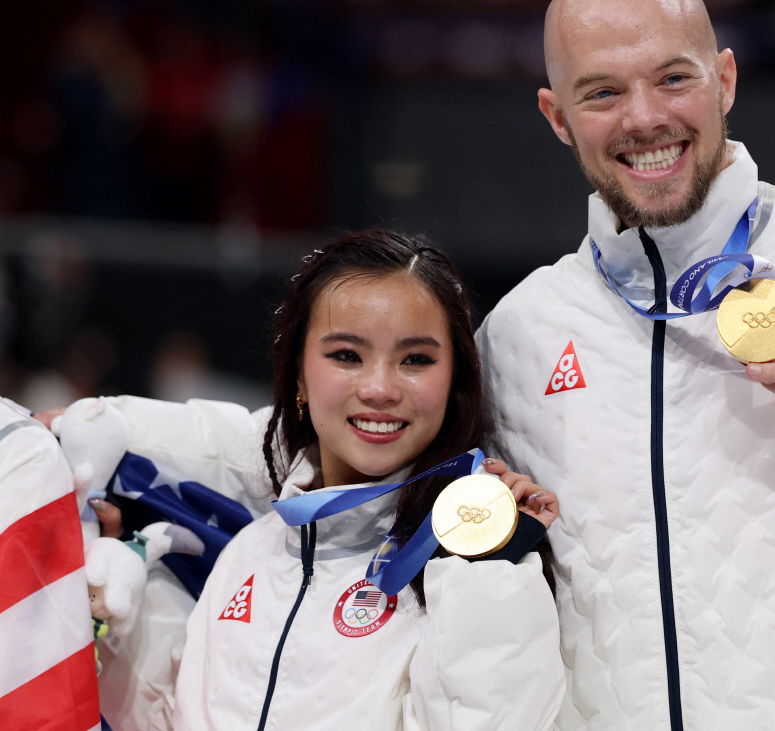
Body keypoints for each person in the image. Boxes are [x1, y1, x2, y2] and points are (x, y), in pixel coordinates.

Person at [43, 0, 775, 730]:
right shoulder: (523, 333)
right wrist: (82, 457)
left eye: (673, 77)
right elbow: (338, 449)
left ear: (722, 77)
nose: (646, 118)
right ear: (554, 115)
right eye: (602, 91)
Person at [63, 230, 566, 730]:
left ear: (454, 379)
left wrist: (486, 570)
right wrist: (120, 626)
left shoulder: (471, 568)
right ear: (299, 374)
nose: (379, 388)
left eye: (416, 359)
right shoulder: (250, 551)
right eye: (347, 355)